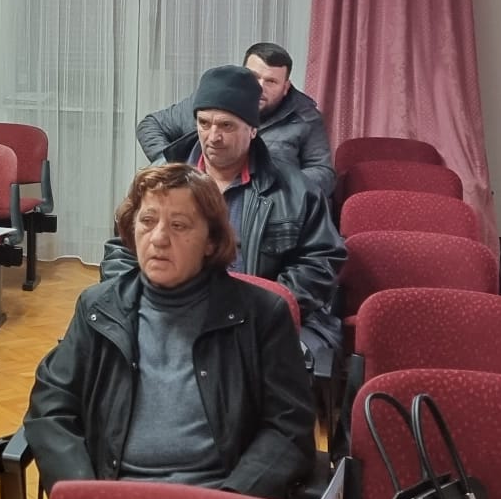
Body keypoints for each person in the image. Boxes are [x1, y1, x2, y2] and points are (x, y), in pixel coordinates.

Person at [20, 163, 317, 499]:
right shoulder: (98, 308)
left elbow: (289, 427)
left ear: (211, 241)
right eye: (147, 221)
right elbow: (50, 409)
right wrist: (85, 498)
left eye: (179, 225)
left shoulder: (261, 315)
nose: (158, 238)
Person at [108, 65, 346, 373]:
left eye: (226, 126)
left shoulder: (297, 190)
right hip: (171, 312)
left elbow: (320, 263)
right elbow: (121, 252)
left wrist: (258, 307)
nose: (213, 137)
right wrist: (138, 304)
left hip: (258, 318)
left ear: (253, 129)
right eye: (204, 123)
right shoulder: (160, 182)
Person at [136, 42, 336, 196]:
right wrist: (175, 168)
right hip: (200, 197)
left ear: (286, 87)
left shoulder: (306, 117)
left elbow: (323, 174)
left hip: (270, 207)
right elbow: (151, 125)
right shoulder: (211, 101)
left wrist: (277, 185)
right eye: (253, 77)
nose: (259, 87)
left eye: (271, 81)